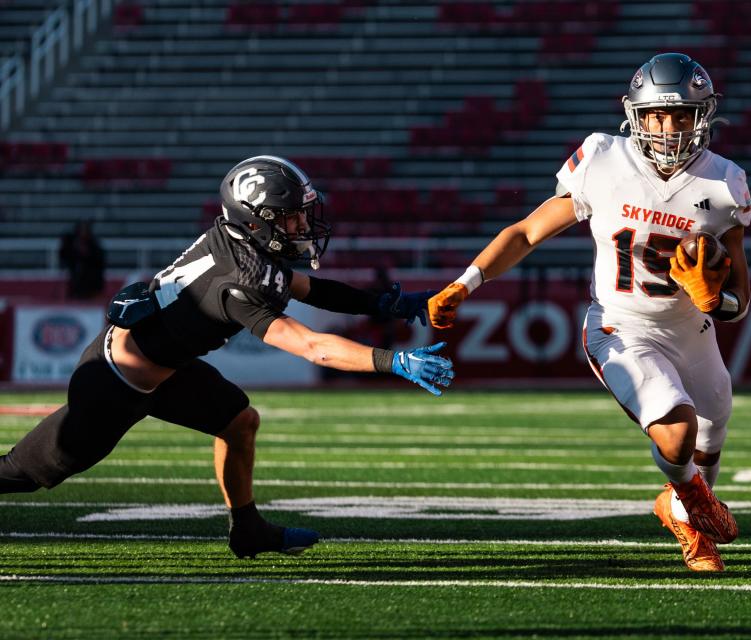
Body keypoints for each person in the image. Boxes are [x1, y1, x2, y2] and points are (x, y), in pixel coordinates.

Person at [0, 155, 454, 559]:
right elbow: (313, 346)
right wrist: (392, 361)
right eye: (292, 217)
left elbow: (307, 289)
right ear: (257, 219)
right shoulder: (239, 281)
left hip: (166, 370)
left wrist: (381, 303)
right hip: (115, 384)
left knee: (239, 421)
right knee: (20, 474)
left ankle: (248, 529)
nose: (301, 227)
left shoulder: (240, 243)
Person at [428, 53, 751, 572]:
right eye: (656, 116)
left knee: (712, 429)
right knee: (678, 428)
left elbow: (740, 300)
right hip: (620, 325)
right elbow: (527, 232)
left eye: (681, 116)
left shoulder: (724, 184)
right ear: (634, 116)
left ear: (703, 116)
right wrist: (467, 282)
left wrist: (714, 298)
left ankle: (683, 509)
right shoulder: (603, 158)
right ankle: (693, 506)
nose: (668, 130)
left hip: (693, 329)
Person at [59, 219, 105, 299]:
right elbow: (65, 256)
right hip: (76, 281)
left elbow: (99, 261)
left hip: (91, 281)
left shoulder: (94, 244)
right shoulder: (72, 243)